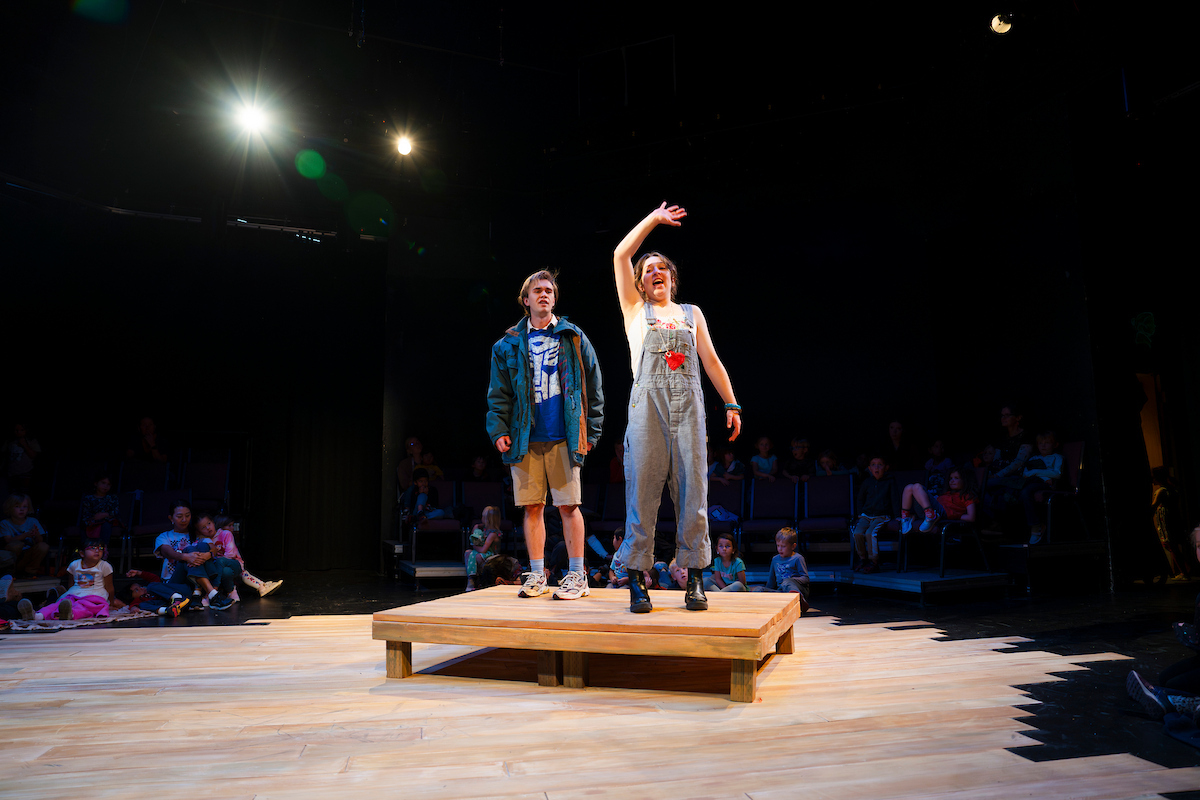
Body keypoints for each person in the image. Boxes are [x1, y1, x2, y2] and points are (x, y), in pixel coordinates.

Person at [612, 202, 742, 614]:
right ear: (640, 283)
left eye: (660, 267)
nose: (654, 272)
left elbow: (712, 362)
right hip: (647, 411)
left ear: (671, 276)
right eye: (647, 269)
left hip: (689, 411)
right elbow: (620, 254)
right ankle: (637, 581)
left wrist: (731, 402)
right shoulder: (635, 311)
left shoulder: (691, 314)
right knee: (642, 496)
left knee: (693, 496)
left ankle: (695, 581)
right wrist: (652, 220)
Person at [486, 269, 604, 601]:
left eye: (549, 290)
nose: (544, 294)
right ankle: (537, 574)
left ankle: (577, 574)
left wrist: (591, 430)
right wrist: (498, 430)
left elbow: (593, 385)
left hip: (564, 436)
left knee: (569, 506)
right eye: (537, 290)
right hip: (525, 437)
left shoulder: (572, 336)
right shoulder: (507, 344)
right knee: (533, 507)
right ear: (526, 300)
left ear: (554, 298)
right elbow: (498, 394)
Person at [31, 541, 119, 621]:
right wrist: (72, 594)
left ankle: (69, 614)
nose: (97, 551)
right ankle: (39, 615)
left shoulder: (104, 566)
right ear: (82, 553)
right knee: (58, 604)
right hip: (76, 593)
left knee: (83, 607)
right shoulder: (74, 565)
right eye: (92, 548)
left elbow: (109, 587)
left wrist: (110, 603)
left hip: (95, 596)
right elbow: (71, 584)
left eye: (100, 549)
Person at [210, 513, 282, 598]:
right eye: (229, 525)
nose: (232, 528)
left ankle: (262, 586)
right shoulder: (216, 537)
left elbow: (229, 554)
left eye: (232, 525)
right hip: (225, 563)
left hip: (230, 562)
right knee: (240, 574)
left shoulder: (223, 535)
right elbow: (226, 554)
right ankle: (262, 586)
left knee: (244, 574)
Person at [852, 456, 900, 573]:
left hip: (881, 516)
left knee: (870, 533)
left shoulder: (889, 481)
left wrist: (898, 515)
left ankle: (874, 561)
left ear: (886, 467)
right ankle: (863, 559)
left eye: (880, 464)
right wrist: (859, 514)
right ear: (869, 468)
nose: (876, 467)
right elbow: (860, 499)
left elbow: (895, 499)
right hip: (866, 515)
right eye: (873, 464)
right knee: (857, 533)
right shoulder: (867, 482)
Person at [898, 467, 978, 534]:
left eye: (956, 478)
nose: (952, 481)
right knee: (909, 487)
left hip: (942, 513)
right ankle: (905, 518)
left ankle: (930, 515)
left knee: (917, 487)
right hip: (929, 513)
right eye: (950, 478)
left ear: (965, 480)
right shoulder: (947, 493)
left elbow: (971, 517)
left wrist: (956, 515)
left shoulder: (967, 496)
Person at [1021, 431, 1064, 545]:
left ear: (1055, 445)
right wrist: (1045, 477)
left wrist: (1036, 472)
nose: (1043, 446)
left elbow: (1057, 474)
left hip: (1048, 485)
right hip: (1037, 481)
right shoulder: (1033, 458)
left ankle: (1036, 526)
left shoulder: (1057, 457)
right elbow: (1025, 473)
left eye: (1047, 443)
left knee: (1026, 491)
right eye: (1040, 443)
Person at [753, 528, 810, 609]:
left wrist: (791, 580)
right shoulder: (775, 559)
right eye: (778, 545)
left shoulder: (798, 558)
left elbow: (805, 578)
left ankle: (799, 601)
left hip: (796, 589)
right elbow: (771, 581)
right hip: (782, 591)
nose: (780, 549)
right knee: (758, 589)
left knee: (786, 582)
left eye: (783, 546)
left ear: (793, 546)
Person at [1, 493, 50, 576]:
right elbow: (8, 540)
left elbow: (40, 541)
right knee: (16, 545)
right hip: (14, 556)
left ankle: (30, 571)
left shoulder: (33, 521)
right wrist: (25, 535)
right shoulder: (5, 523)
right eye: (17, 506)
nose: (22, 509)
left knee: (43, 546)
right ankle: (11, 571)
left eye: (25, 507)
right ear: (10, 508)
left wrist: (36, 534)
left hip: (28, 554)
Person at [465, 506, 503, 591]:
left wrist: (473, 545)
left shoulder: (493, 533)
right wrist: (475, 529)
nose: (481, 519)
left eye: (483, 517)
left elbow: (483, 550)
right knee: (468, 553)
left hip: (491, 555)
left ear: (488, 519)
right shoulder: (484, 529)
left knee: (477, 556)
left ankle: (477, 579)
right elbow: (474, 537)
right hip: (482, 553)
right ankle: (471, 577)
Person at [80, 470, 122, 547]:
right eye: (103, 483)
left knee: (106, 526)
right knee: (84, 527)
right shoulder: (89, 498)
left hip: (107, 522)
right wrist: (94, 518)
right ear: (96, 483)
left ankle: (103, 549)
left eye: (108, 484)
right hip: (92, 522)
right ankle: (86, 549)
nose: (105, 486)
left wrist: (104, 515)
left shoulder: (112, 498)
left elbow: (115, 512)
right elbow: (86, 514)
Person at [4, 423, 40, 492]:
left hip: (26, 471)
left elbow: (33, 455)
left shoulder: (31, 441)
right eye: (16, 430)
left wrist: (25, 445)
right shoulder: (10, 441)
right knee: (12, 493)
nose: (18, 432)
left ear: (26, 430)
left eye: (21, 430)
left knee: (24, 492)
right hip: (12, 472)